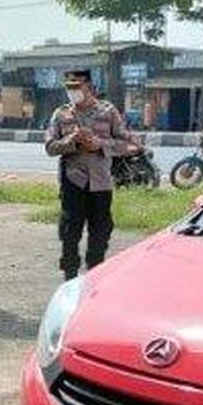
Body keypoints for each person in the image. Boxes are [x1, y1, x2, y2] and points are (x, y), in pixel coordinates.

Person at [44, 69, 139, 280]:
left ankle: (94, 276)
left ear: (89, 86)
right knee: (70, 233)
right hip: (73, 181)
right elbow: (50, 147)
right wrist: (71, 141)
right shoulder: (61, 114)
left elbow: (131, 144)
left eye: (76, 86)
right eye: (68, 87)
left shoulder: (108, 111)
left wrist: (100, 145)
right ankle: (69, 278)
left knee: (100, 234)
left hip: (101, 182)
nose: (72, 91)